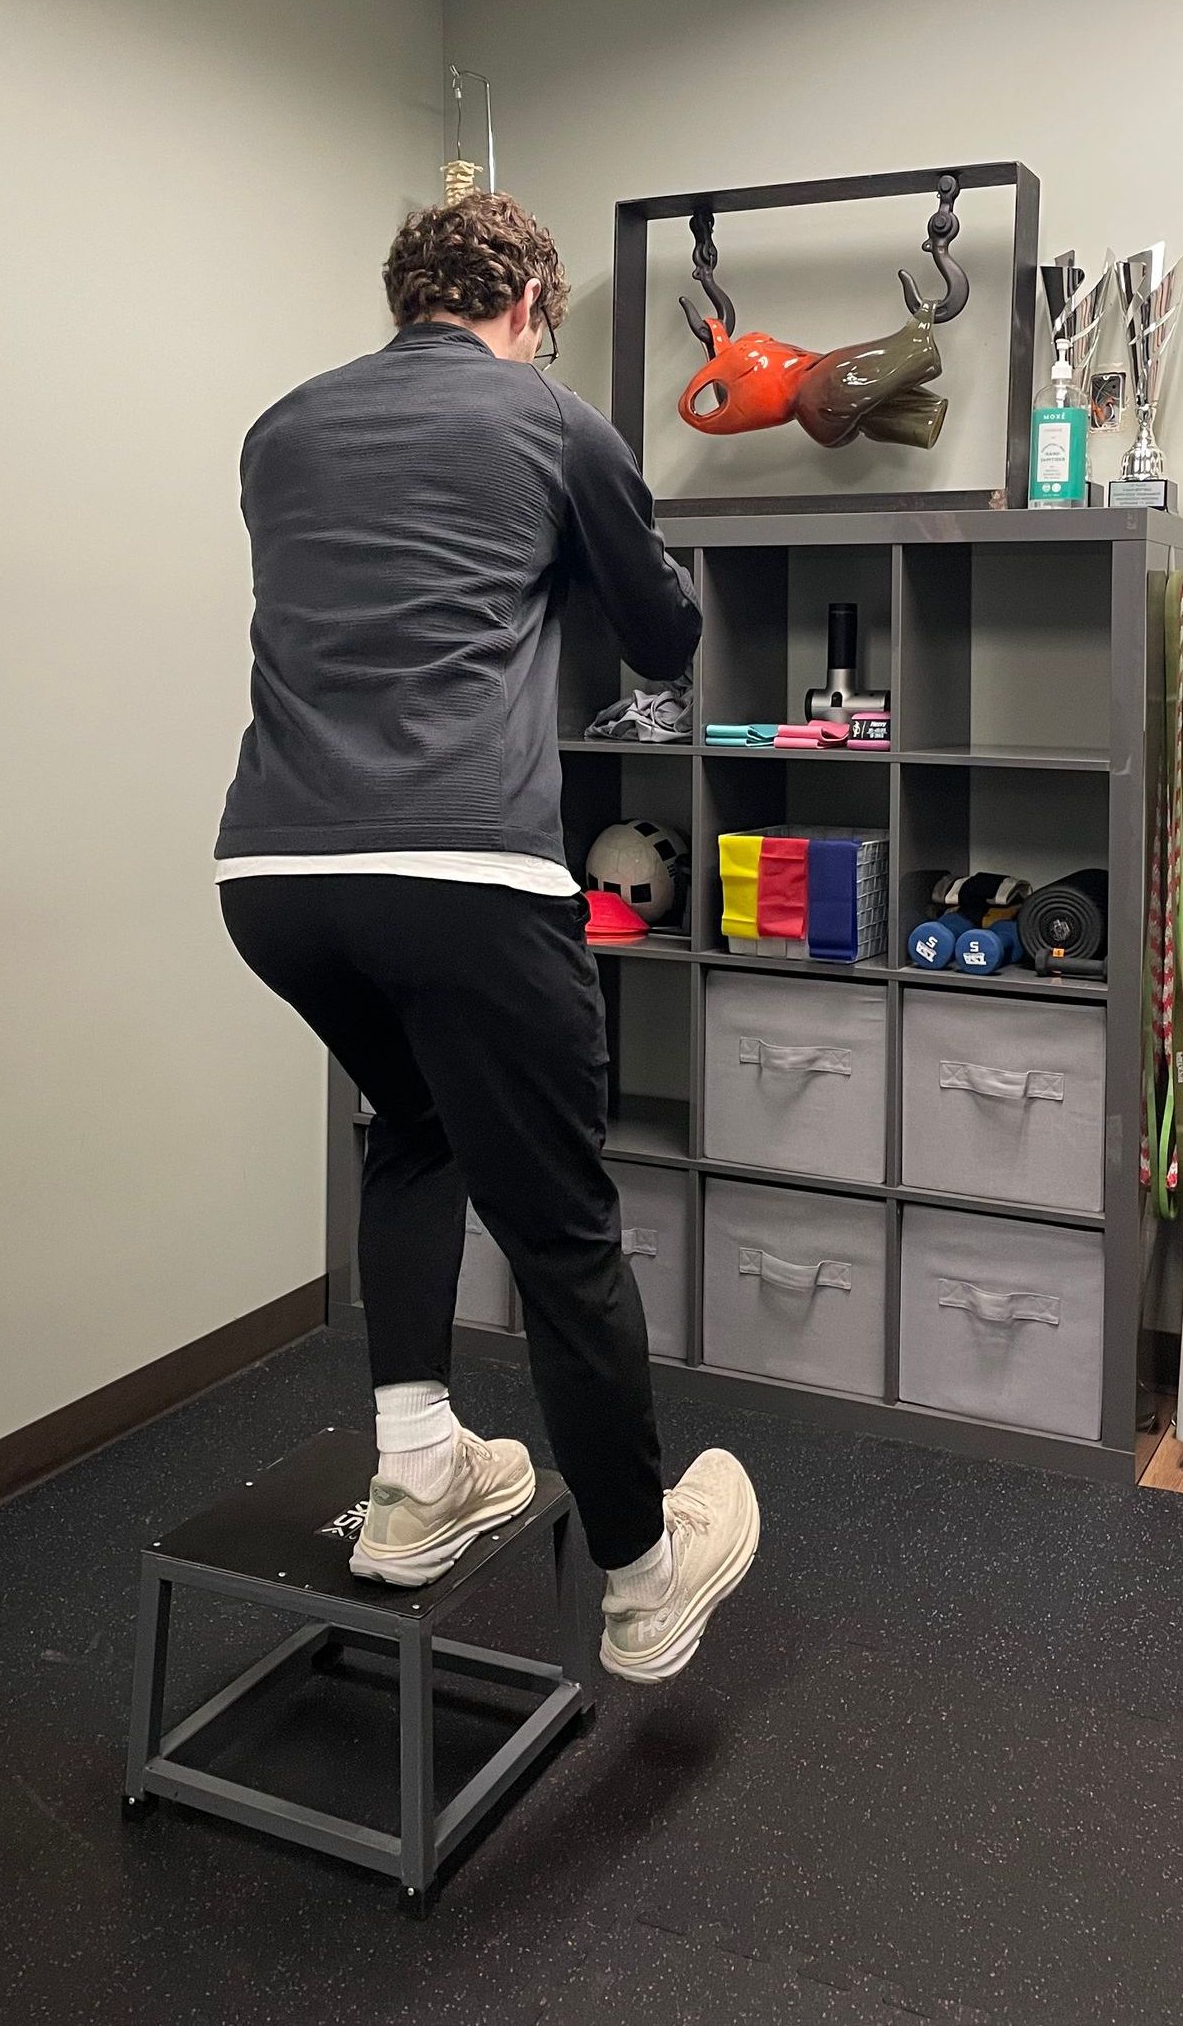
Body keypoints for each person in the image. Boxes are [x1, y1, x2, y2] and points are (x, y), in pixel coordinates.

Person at [216, 194, 759, 1684]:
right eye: (549, 318)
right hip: (461, 871)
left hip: (272, 874)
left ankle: (416, 1477)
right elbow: (662, 641)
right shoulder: (549, 416)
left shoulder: (281, 430)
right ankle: (648, 1574)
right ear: (524, 297)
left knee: (412, 1127)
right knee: (564, 1230)